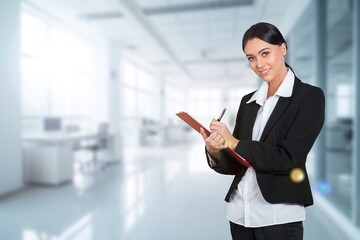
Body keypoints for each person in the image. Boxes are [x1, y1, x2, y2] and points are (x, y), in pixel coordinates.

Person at [200, 22, 325, 240]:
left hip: (278, 217)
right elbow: (239, 162)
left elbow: (289, 158)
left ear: (283, 49)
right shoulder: (248, 101)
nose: (259, 64)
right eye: (251, 58)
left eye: (265, 53)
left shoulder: (308, 97)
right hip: (240, 215)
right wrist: (215, 150)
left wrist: (234, 142)